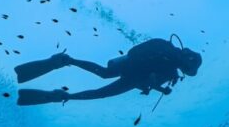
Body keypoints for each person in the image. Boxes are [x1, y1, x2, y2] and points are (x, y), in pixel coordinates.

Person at [15, 36, 202, 106]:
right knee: (100, 93)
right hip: (133, 73)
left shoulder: (169, 61)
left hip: (130, 68)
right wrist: (160, 89)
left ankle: (66, 60)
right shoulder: (170, 67)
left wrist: (153, 87)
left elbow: (150, 82)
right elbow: (152, 81)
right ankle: (65, 96)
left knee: (103, 73)